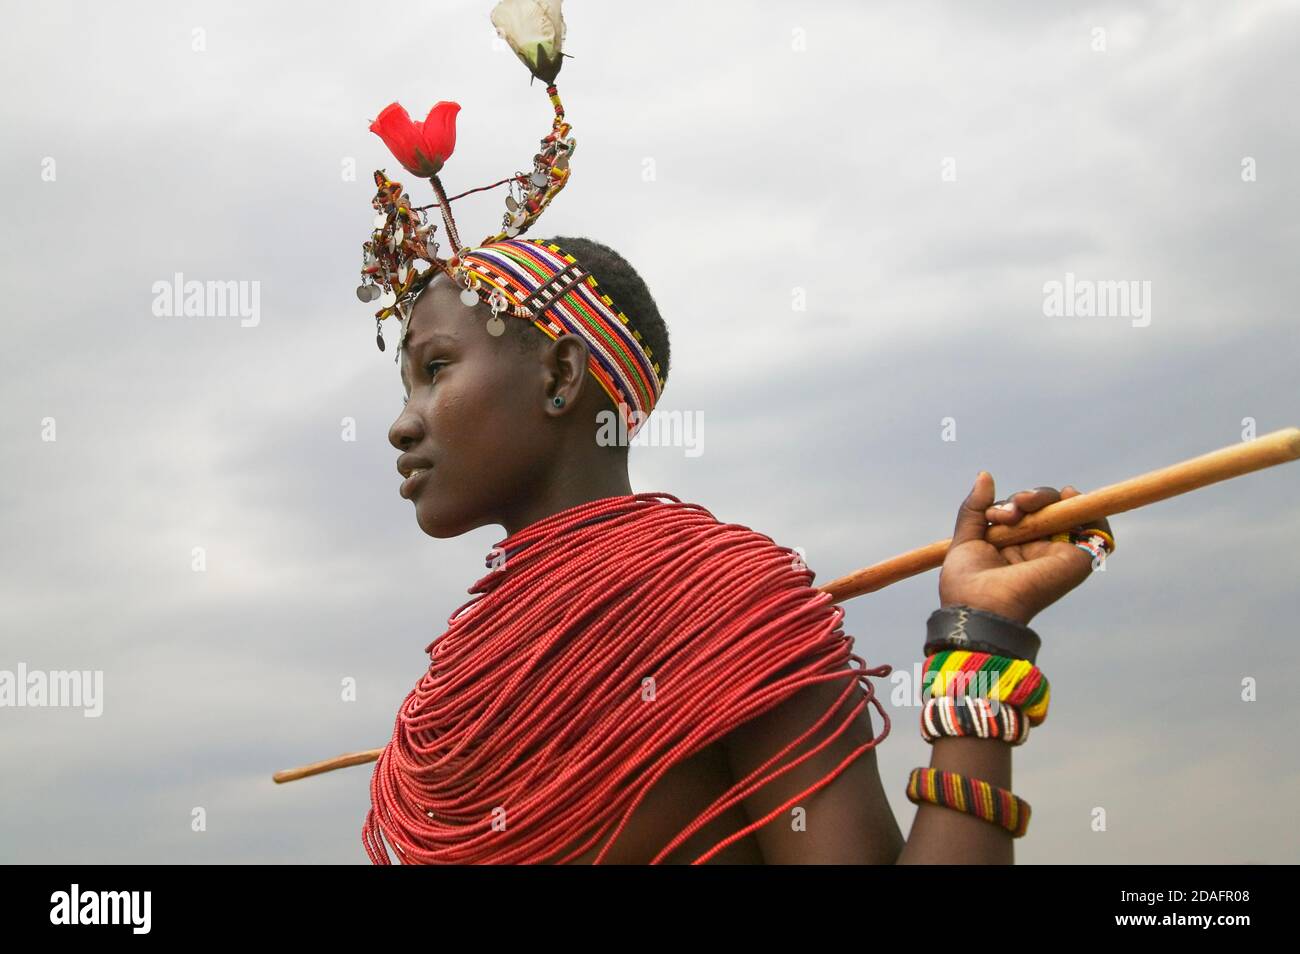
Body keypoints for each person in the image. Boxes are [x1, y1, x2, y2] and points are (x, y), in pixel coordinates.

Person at [357, 0, 1115, 863]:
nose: (401, 422)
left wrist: (980, 640)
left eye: (436, 368)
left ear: (561, 377)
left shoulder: (723, 606)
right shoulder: (450, 694)